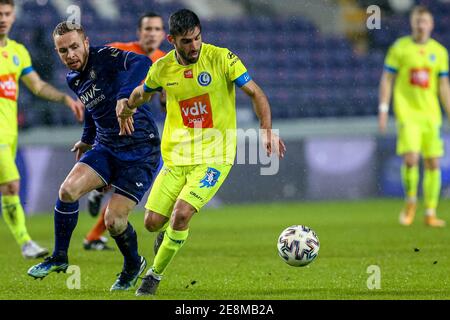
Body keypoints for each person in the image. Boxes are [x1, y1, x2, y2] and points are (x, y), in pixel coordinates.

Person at [116, 9, 286, 296]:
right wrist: (127, 107)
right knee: (151, 223)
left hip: (215, 158)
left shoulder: (222, 58)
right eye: (186, 41)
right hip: (176, 158)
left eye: (197, 38)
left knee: (181, 214)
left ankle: (154, 276)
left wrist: (266, 128)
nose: (194, 46)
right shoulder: (162, 69)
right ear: (171, 40)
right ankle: (166, 240)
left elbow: (256, 93)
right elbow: (141, 92)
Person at [27, 21, 161, 291]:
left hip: (140, 150)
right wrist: (87, 140)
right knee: (67, 191)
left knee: (114, 222)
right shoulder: (73, 78)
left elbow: (143, 63)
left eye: (75, 47)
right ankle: (60, 257)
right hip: (106, 146)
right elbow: (91, 107)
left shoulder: (106, 57)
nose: (70, 55)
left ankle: (133, 263)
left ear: (86, 43)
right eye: (63, 51)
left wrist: (124, 97)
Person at [0, 0, 83, 259]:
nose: (2, 18)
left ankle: (25, 243)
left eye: (6, 13)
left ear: (13, 16)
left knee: (8, 188)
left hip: (10, 132)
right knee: (12, 185)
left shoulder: (17, 51)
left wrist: (64, 98)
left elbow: (36, 85)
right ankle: (26, 242)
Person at [83, 11, 167, 251]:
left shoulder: (164, 60)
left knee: (125, 190)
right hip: (110, 129)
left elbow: (163, 99)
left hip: (136, 130)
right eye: (147, 29)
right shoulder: (120, 50)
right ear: (139, 32)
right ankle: (100, 191)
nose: (152, 34)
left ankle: (94, 227)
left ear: (163, 34)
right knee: (122, 183)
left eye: (156, 29)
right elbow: (92, 72)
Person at [378, 5, 450, 227]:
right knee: (411, 158)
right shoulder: (400, 48)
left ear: (431, 25)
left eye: (425, 22)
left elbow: (443, 85)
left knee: (433, 163)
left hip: (430, 115)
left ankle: (430, 211)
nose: (421, 26)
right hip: (407, 113)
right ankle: (410, 201)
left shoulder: (439, 52)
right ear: (412, 24)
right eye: (418, 21)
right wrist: (383, 109)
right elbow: (387, 80)